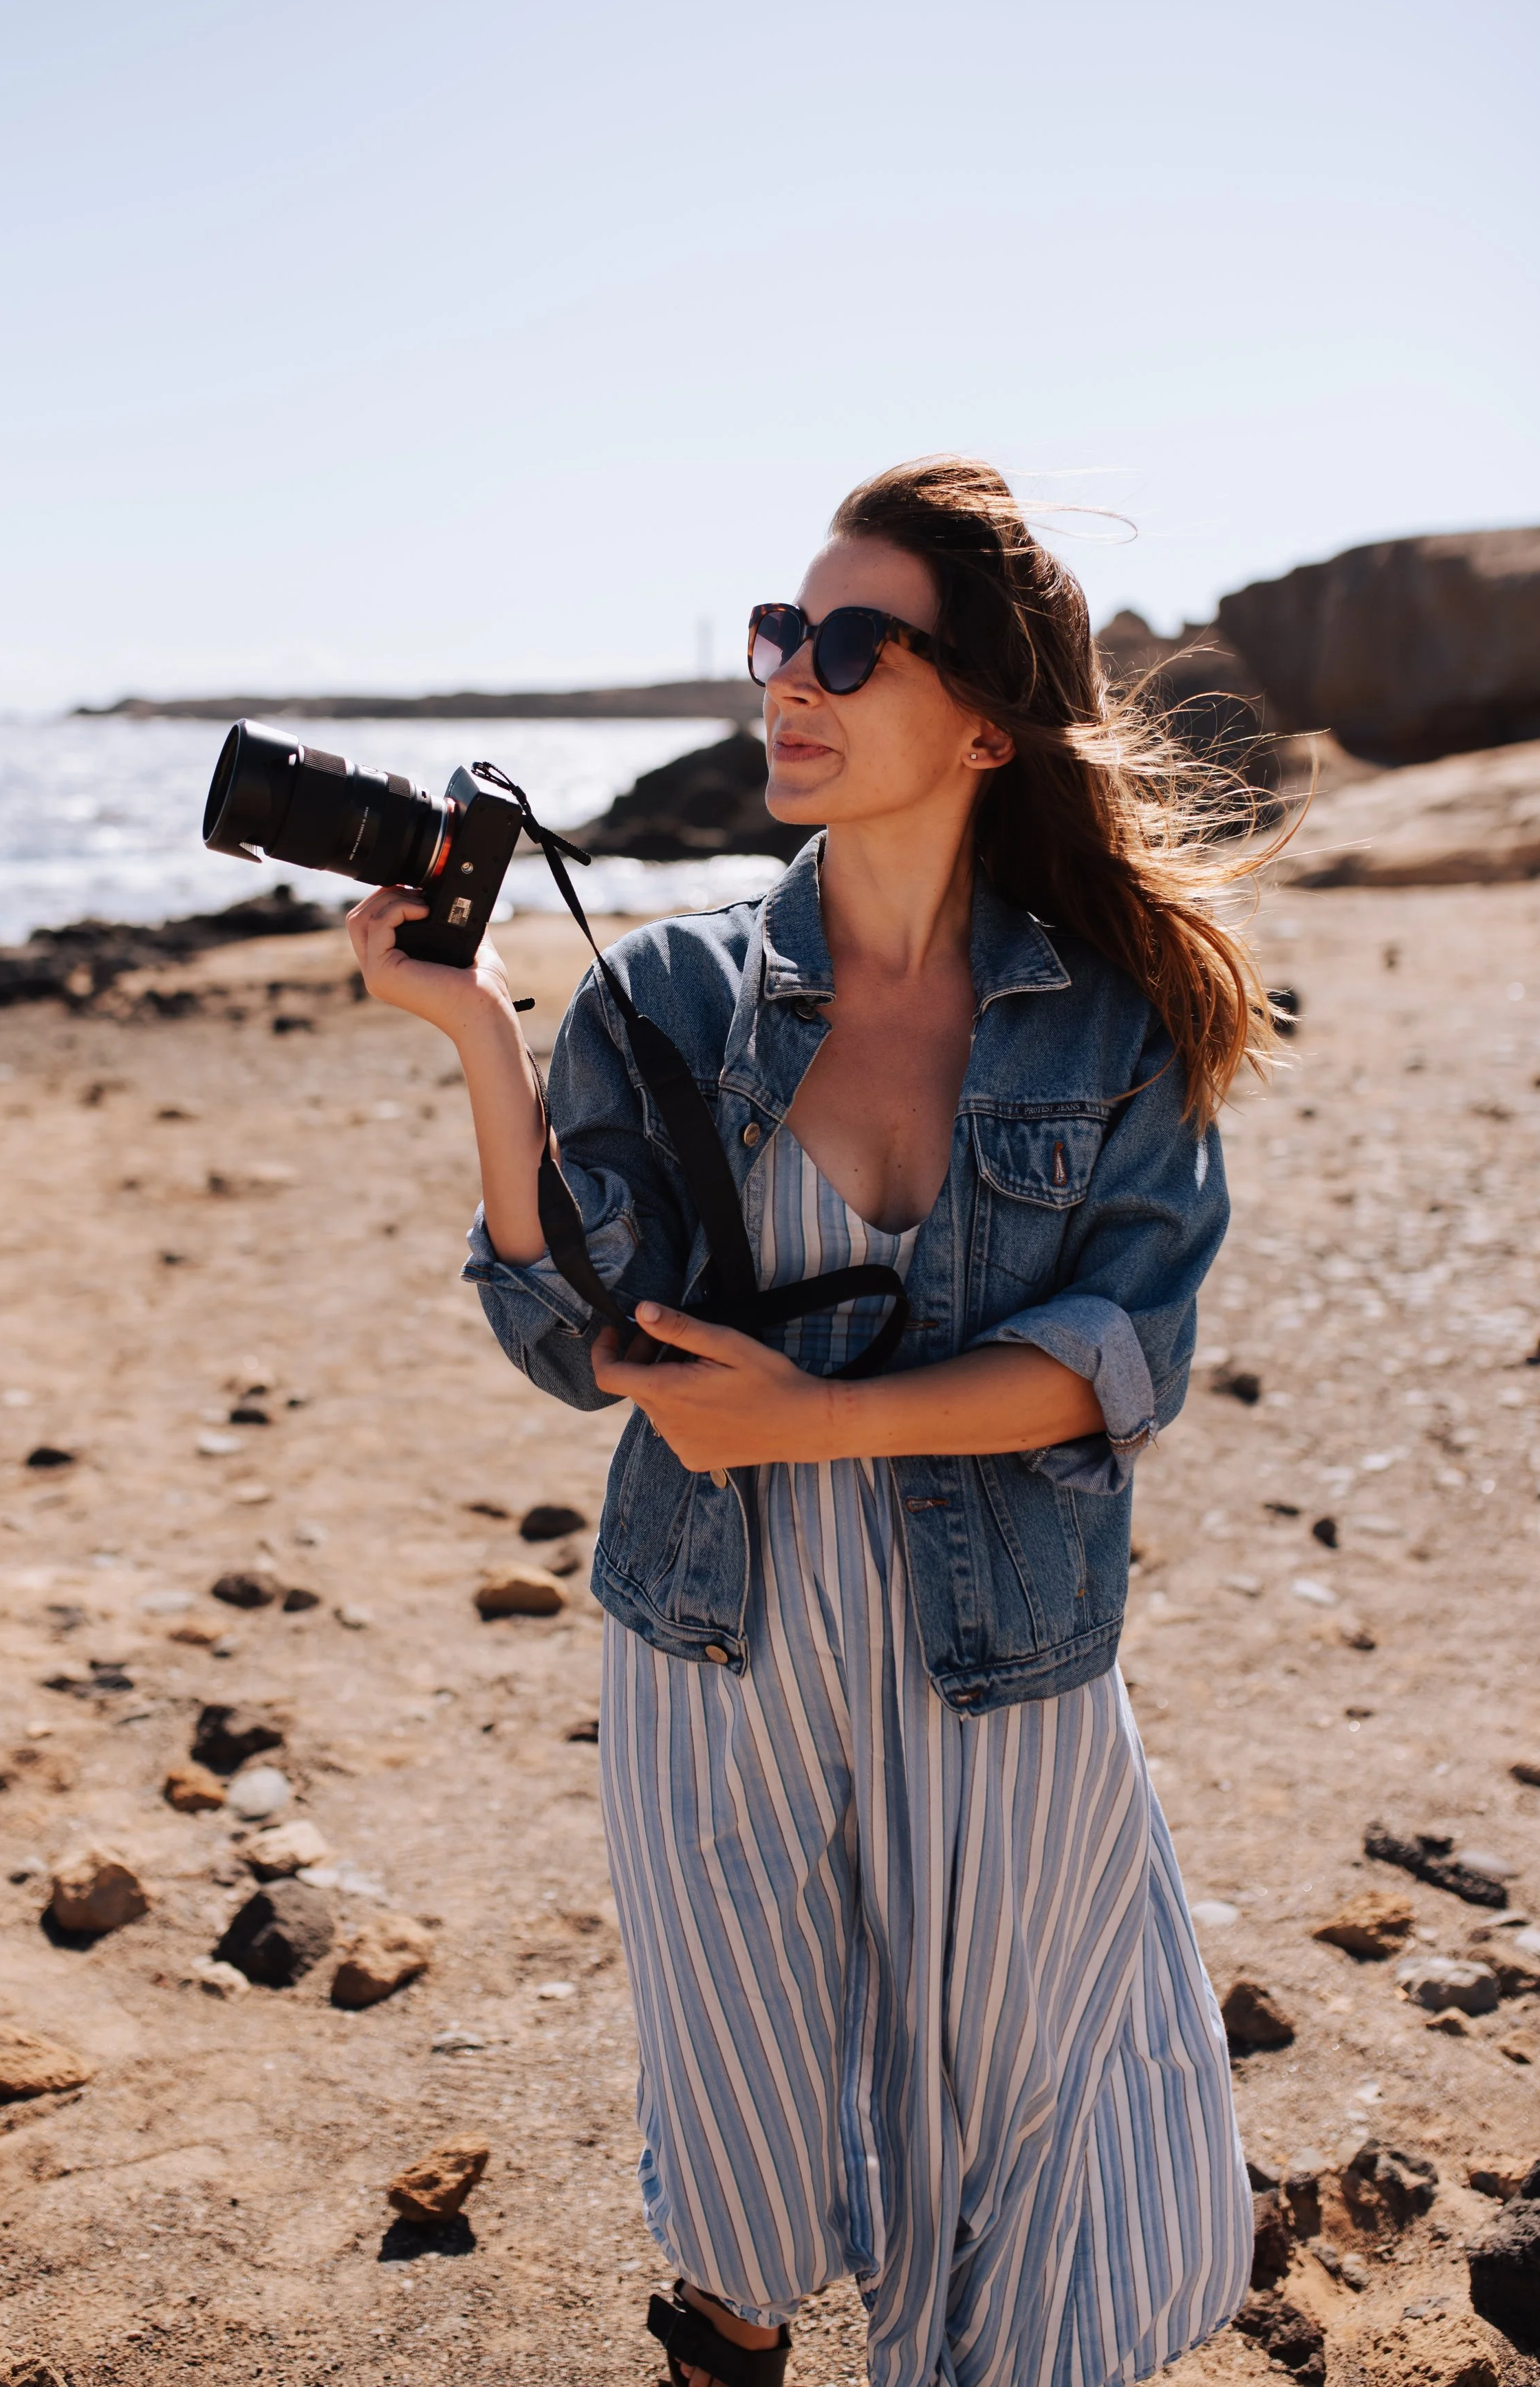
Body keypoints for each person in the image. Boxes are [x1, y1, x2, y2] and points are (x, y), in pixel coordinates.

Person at [347, 457, 1275, 2387]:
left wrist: (808, 1426)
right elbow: (561, 1307)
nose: (790, 675)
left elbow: (1120, 1355)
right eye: (783, 633)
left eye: (852, 644)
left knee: (1034, 2100)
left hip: (999, 1646)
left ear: (987, 720)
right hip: (713, 1627)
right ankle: (728, 2342)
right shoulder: (673, 990)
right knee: (745, 2100)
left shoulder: (1108, 1021)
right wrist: (484, 1044)